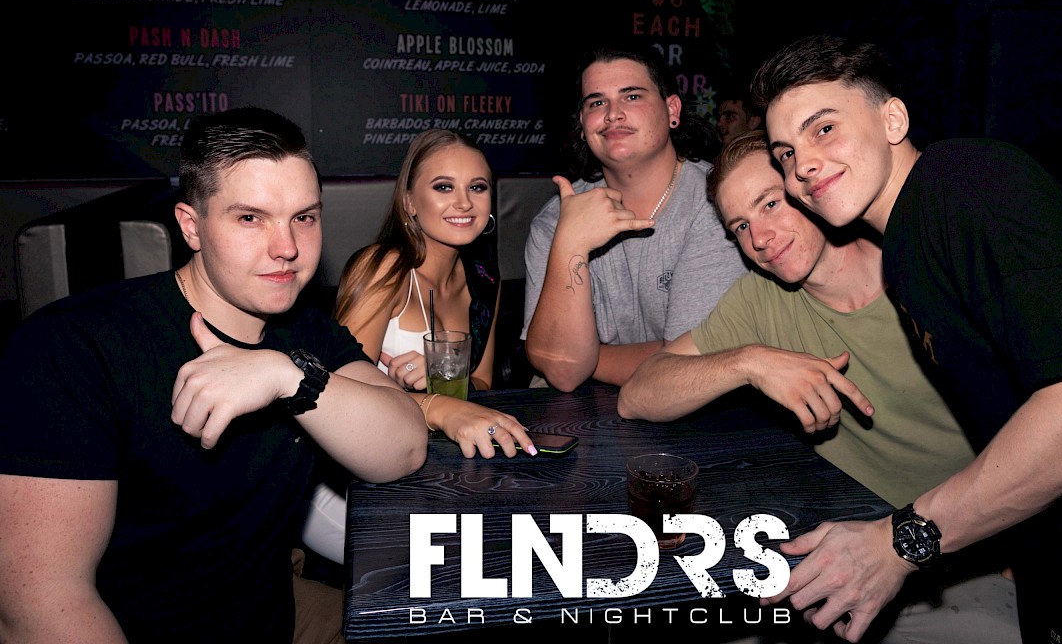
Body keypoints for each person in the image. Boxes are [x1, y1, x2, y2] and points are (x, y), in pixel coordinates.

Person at [755, 33, 1062, 643]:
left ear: (893, 119)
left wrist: (899, 542)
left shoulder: (967, 182)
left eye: (823, 129)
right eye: (784, 153)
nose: (801, 165)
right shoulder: (907, 246)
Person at [0, 106, 428, 644]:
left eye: (304, 217)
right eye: (250, 218)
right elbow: (39, 605)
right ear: (191, 226)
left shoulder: (303, 332)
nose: (287, 247)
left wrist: (287, 376)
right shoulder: (71, 348)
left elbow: (404, 447)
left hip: (272, 611)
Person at [618, 130, 1019, 644]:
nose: (759, 238)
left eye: (769, 204)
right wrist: (750, 362)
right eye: (740, 226)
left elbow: (1060, 417)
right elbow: (639, 393)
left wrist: (1022, 544)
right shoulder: (761, 298)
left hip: (958, 556)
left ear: (810, 188)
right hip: (841, 552)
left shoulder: (925, 267)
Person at [302, 129, 537, 567]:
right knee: (449, 563)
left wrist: (441, 379)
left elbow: (482, 385)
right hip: (338, 483)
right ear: (410, 202)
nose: (464, 203)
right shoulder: (385, 269)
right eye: (444, 187)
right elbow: (332, 397)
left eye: (477, 187)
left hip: (428, 468)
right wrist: (425, 401)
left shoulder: (486, 280)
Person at [522, 44, 747, 389]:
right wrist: (571, 244)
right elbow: (562, 372)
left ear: (672, 110)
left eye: (632, 96)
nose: (613, 114)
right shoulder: (554, 220)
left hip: (701, 407)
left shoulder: (719, 203)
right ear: (583, 124)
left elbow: (694, 363)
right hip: (579, 406)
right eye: (596, 103)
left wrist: (585, 358)